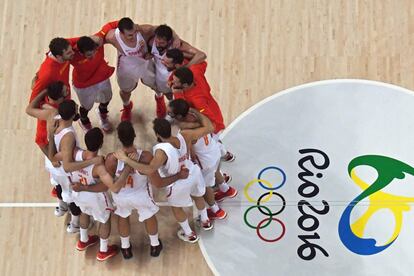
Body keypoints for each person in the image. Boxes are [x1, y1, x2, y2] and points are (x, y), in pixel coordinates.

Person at [114, 109, 215, 243]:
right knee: (198, 196)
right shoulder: (185, 134)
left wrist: (127, 160)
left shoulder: (161, 152)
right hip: (192, 172)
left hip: (179, 181)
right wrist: (195, 111)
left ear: (157, 134)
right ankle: (205, 221)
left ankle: (190, 234)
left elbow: (150, 169)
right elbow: (209, 127)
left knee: (177, 208)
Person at [105, 121, 189, 258]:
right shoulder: (145, 157)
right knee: (148, 215)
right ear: (134, 136)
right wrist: (178, 176)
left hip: (121, 196)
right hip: (141, 196)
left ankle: (125, 248)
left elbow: (109, 181)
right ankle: (155, 245)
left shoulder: (111, 159)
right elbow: (158, 183)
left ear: (119, 138)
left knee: (123, 215)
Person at [70, 128, 128, 261]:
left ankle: (83, 240)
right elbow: (105, 186)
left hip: (78, 193)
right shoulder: (99, 167)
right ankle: (103, 250)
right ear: (101, 144)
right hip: (94, 196)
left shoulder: (75, 154)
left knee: (84, 212)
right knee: (104, 220)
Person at [148, 24, 206, 118]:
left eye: (162, 43)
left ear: (169, 41)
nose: (158, 45)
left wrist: (186, 67)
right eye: (157, 41)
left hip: (173, 74)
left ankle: (173, 109)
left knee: (174, 94)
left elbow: (202, 55)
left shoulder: (178, 46)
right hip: (160, 72)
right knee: (162, 90)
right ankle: (161, 100)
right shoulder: (151, 42)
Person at [29, 38, 74, 155]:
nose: (73, 53)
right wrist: (53, 160)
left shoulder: (65, 49)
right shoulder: (50, 114)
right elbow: (40, 140)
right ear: (59, 57)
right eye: (69, 53)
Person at [68, 36, 115, 132]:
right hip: (83, 85)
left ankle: (102, 113)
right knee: (86, 107)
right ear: (80, 52)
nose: (93, 56)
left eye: (95, 52)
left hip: (101, 77)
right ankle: (84, 121)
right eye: (89, 54)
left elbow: (109, 27)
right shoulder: (72, 55)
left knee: (107, 98)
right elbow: (60, 44)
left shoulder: (97, 43)